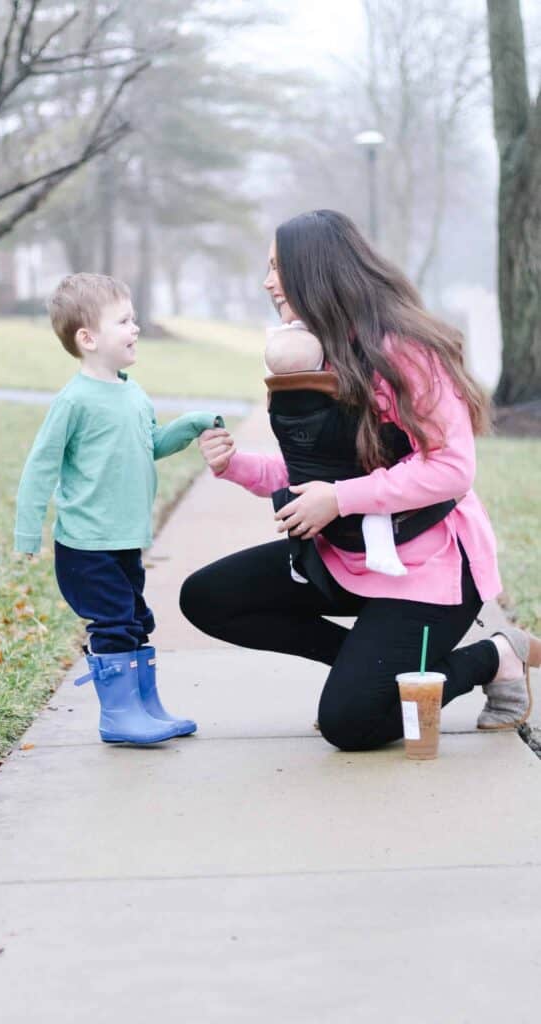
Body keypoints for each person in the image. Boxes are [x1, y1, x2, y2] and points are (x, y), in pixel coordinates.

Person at [181, 210, 540, 750]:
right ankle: (369, 673)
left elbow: (450, 468)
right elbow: (319, 474)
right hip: (349, 558)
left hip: (430, 567)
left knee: (353, 725)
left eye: (278, 267)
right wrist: (237, 467)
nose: (267, 282)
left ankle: (495, 655)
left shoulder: (405, 351)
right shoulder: (316, 351)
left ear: (315, 271)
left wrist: (340, 498)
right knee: (207, 597)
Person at [15, 273, 221, 745]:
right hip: (87, 546)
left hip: (126, 539)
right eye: (124, 321)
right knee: (112, 622)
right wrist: (28, 532)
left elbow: (148, 445)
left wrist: (188, 427)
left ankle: (145, 707)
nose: (136, 328)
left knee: (135, 620)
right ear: (87, 338)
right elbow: (40, 466)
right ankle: (119, 716)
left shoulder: (133, 393)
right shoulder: (74, 401)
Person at [265, 318, 411, 577]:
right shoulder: (329, 397)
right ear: (321, 364)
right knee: (374, 506)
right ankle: (382, 550)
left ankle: (297, 561)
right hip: (346, 480)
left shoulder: (275, 406)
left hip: (303, 482)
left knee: (298, 512)